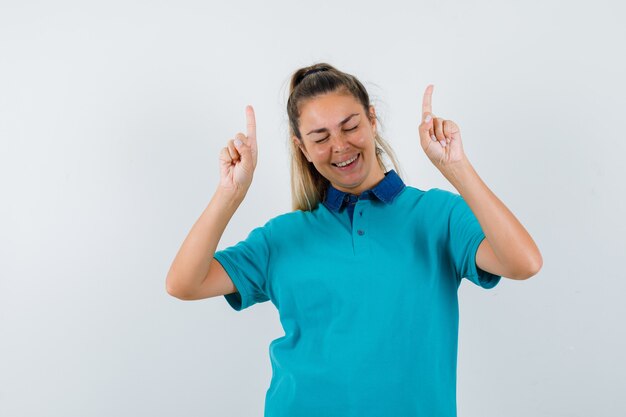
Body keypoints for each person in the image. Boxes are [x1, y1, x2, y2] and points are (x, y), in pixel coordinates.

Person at [165, 63, 543, 417]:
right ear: (303, 149)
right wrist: (229, 194)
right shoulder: (281, 237)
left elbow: (523, 263)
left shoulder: (438, 216)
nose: (340, 146)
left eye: (349, 126)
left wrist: (456, 168)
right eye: (320, 137)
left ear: (372, 119)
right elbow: (184, 283)